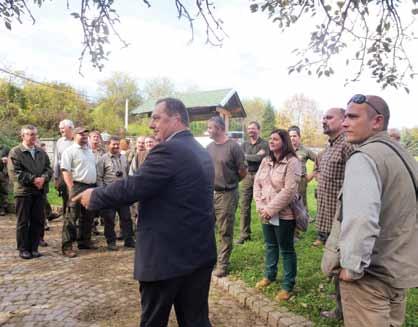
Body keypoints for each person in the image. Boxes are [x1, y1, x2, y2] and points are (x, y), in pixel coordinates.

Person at [73, 98, 216, 327]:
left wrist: (96, 196)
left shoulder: (169, 150)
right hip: (198, 254)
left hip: (166, 259)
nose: (151, 125)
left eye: (156, 118)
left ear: (176, 118)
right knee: (196, 321)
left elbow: (134, 186)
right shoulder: (200, 151)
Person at [337, 94, 418, 327]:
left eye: (352, 117)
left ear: (377, 121)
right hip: (399, 271)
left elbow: (362, 219)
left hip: (371, 279)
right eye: (345, 116)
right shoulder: (403, 156)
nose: (344, 123)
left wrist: (351, 266)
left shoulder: (364, 157)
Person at [253, 129, 301, 301]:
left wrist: (270, 210)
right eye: (270, 139)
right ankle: (269, 275)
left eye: (275, 139)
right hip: (265, 213)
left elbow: (289, 191)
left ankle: (288, 285)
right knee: (270, 245)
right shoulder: (266, 160)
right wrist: (260, 206)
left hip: (284, 215)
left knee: (286, 249)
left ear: (284, 141)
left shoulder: (292, 162)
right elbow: (257, 184)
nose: (271, 142)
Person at [315, 107, 354, 321]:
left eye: (329, 117)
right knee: (335, 265)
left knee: (342, 264)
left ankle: (343, 312)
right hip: (327, 218)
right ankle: (340, 304)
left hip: (341, 221)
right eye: (323, 117)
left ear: (343, 120)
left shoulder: (347, 146)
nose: (324, 121)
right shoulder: (330, 147)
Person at [207, 116, 247, 277]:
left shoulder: (233, 147)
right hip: (209, 193)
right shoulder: (209, 147)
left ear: (219, 128)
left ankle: (223, 264)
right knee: (207, 228)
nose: (208, 131)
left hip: (227, 194)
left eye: (210, 128)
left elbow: (242, 172)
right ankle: (209, 259)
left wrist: (231, 184)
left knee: (225, 230)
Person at [8, 125, 52, 259]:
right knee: (23, 221)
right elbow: (15, 173)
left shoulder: (41, 152)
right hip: (24, 192)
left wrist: (43, 178)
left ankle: (34, 248)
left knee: (38, 221)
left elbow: (48, 168)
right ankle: (23, 249)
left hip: (39, 191)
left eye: (35, 134)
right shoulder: (15, 152)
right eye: (30, 134)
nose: (33, 137)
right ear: (23, 136)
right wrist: (34, 180)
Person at [60, 127, 98, 258]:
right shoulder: (69, 151)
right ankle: (67, 246)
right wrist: (71, 189)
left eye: (85, 134)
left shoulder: (89, 151)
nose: (84, 136)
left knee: (88, 216)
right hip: (77, 186)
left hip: (91, 186)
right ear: (74, 135)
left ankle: (84, 241)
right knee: (71, 216)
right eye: (81, 134)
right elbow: (66, 171)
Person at [96, 136, 135, 250]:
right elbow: (99, 177)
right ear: (109, 145)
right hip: (109, 193)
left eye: (118, 144)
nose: (116, 146)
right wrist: (102, 191)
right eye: (114, 144)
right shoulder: (103, 159)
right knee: (109, 219)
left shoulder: (123, 158)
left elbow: (127, 173)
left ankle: (129, 240)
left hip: (122, 193)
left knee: (126, 218)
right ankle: (111, 242)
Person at [236, 121, 269, 245]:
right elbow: (240, 158)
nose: (251, 131)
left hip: (262, 177)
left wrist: (246, 156)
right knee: (244, 205)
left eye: (253, 128)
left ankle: (268, 235)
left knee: (265, 205)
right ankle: (245, 234)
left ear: (259, 130)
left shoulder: (265, 144)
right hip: (247, 176)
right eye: (249, 129)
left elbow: (260, 158)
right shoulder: (244, 144)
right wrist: (252, 156)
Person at [287, 125, 317, 210]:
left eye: (294, 136)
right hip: (287, 179)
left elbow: (319, 160)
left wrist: (313, 174)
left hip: (301, 181)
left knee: (301, 204)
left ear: (299, 137)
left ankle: (303, 221)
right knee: (287, 202)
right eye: (290, 136)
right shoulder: (285, 150)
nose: (292, 138)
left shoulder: (305, 150)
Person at [53, 119, 74, 217]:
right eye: (60, 128)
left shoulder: (77, 140)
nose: (61, 130)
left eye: (63, 128)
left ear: (70, 128)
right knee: (65, 196)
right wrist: (56, 177)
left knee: (75, 195)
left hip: (77, 173)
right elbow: (56, 160)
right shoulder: (59, 142)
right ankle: (67, 216)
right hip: (64, 173)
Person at [0, 143, 10, 216]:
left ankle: (3, 208)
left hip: (3, 173)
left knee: (4, 191)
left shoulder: (6, 148)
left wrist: (7, 160)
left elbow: (12, 159)